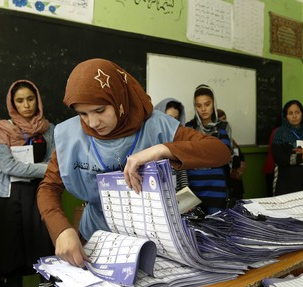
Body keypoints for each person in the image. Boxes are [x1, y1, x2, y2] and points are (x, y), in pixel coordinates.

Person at [37, 59, 231, 269]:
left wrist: (162, 149)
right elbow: (48, 188)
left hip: (153, 242)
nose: (92, 123)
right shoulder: (70, 135)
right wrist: (61, 230)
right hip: (95, 240)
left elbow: (220, 151)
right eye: (82, 114)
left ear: (119, 98)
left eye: (100, 110)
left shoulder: (156, 125)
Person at [0, 80, 62, 287]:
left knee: (45, 259)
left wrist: (46, 168)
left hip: (40, 198)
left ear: (37, 100)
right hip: (9, 202)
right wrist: (44, 170)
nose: (26, 105)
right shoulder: (2, 129)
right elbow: (8, 166)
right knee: (12, 261)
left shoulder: (49, 128)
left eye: (30, 99)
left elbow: (55, 159)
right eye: (20, 100)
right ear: (12, 103)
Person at [185, 85, 233, 214]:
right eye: (199, 105)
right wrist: (211, 152)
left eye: (207, 104)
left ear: (214, 103)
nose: (203, 109)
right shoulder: (189, 127)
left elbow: (225, 156)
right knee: (195, 229)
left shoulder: (223, 127)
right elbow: (187, 157)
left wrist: (199, 153)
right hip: (194, 187)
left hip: (217, 187)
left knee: (216, 227)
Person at [271, 100, 303, 196]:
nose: (294, 116)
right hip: (286, 184)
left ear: (302, 114)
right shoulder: (280, 134)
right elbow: (278, 157)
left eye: (297, 112)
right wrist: (301, 157)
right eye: (290, 113)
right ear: (285, 116)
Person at [154, 98, 189, 191]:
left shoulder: (178, 142)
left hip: (177, 201)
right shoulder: (148, 142)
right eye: (169, 117)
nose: (172, 122)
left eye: (176, 119)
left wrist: (187, 195)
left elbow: (182, 174)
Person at [218, 108, 246, 207]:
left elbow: (241, 158)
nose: (225, 123)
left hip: (236, 184)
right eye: (221, 120)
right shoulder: (215, 141)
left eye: (225, 119)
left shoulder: (232, 141)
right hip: (224, 184)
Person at [262, 127, 279, 196]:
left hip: (272, 167)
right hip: (274, 169)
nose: (294, 116)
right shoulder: (279, 132)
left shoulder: (276, 131)